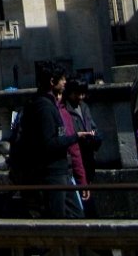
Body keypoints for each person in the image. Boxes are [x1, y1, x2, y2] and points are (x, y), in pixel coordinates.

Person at [14, 64, 80, 218]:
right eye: (62, 79)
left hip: (59, 172)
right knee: (58, 220)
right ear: (52, 81)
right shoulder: (44, 107)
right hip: (51, 174)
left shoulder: (46, 104)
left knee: (76, 217)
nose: (65, 82)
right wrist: (76, 137)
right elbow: (48, 143)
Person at [62, 79, 102, 215]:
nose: (80, 97)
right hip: (76, 161)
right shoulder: (65, 109)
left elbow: (93, 126)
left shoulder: (84, 107)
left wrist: (95, 136)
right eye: (77, 94)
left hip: (88, 159)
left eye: (82, 94)